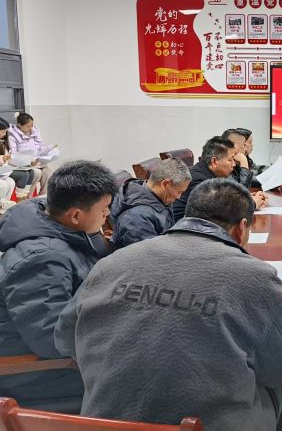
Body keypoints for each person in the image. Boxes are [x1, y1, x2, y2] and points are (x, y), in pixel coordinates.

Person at [55, 178, 282, 430]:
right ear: (241, 228)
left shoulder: (112, 262)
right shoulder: (255, 277)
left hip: (104, 423)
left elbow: (65, 338)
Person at [0, 160, 116, 407]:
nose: (107, 214)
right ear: (75, 215)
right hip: (35, 375)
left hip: (64, 350)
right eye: (104, 208)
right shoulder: (42, 259)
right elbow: (50, 338)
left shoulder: (64, 229)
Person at [173, 136, 267, 222]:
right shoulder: (200, 180)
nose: (234, 164)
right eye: (230, 160)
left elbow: (224, 199)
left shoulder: (207, 172)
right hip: (182, 231)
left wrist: (246, 198)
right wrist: (252, 203)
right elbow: (222, 212)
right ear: (214, 161)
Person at [109, 158, 191, 249]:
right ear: (165, 184)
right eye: (179, 192)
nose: (179, 197)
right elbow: (150, 255)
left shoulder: (158, 196)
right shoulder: (137, 219)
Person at [8, 112, 57, 197]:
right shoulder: (12, 136)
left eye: (32, 125)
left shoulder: (35, 132)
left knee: (48, 172)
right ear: (20, 125)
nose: (31, 128)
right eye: (28, 126)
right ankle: (29, 197)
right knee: (37, 173)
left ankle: (44, 196)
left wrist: (50, 148)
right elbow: (14, 155)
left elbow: (41, 148)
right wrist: (29, 162)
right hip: (25, 165)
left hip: (38, 163)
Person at [0, 118, 31, 206]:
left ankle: (6, 205)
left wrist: (5, 158)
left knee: (11, 182)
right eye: (3, 131)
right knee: (3, 184)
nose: (5, 134)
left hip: (3, 170)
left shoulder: (2, 142)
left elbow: (5, 157)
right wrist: (3, 159)